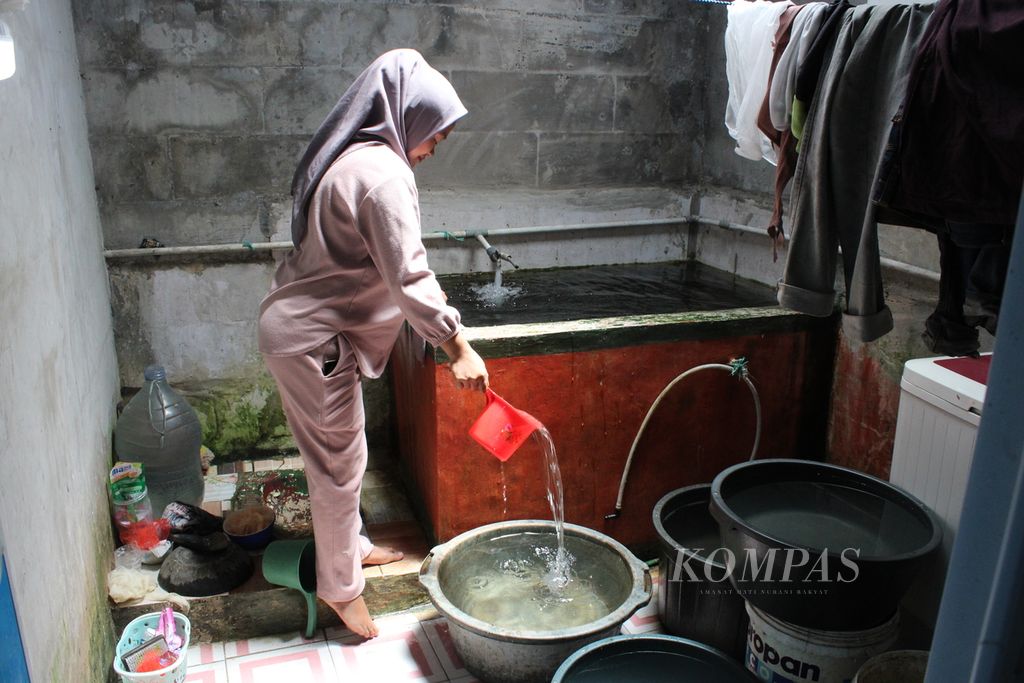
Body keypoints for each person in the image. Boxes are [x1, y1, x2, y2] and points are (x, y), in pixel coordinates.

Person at [257, 49, 489, 639]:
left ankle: (350, 547)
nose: (435, 147)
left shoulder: (350, 157)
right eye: (436, 133)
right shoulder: (382, 176)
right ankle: (341, 590)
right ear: (406, 115)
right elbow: (409, 278)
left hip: (300, 330)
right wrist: (457, 344)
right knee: (338, 467)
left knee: (343, 455)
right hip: (316, 341)